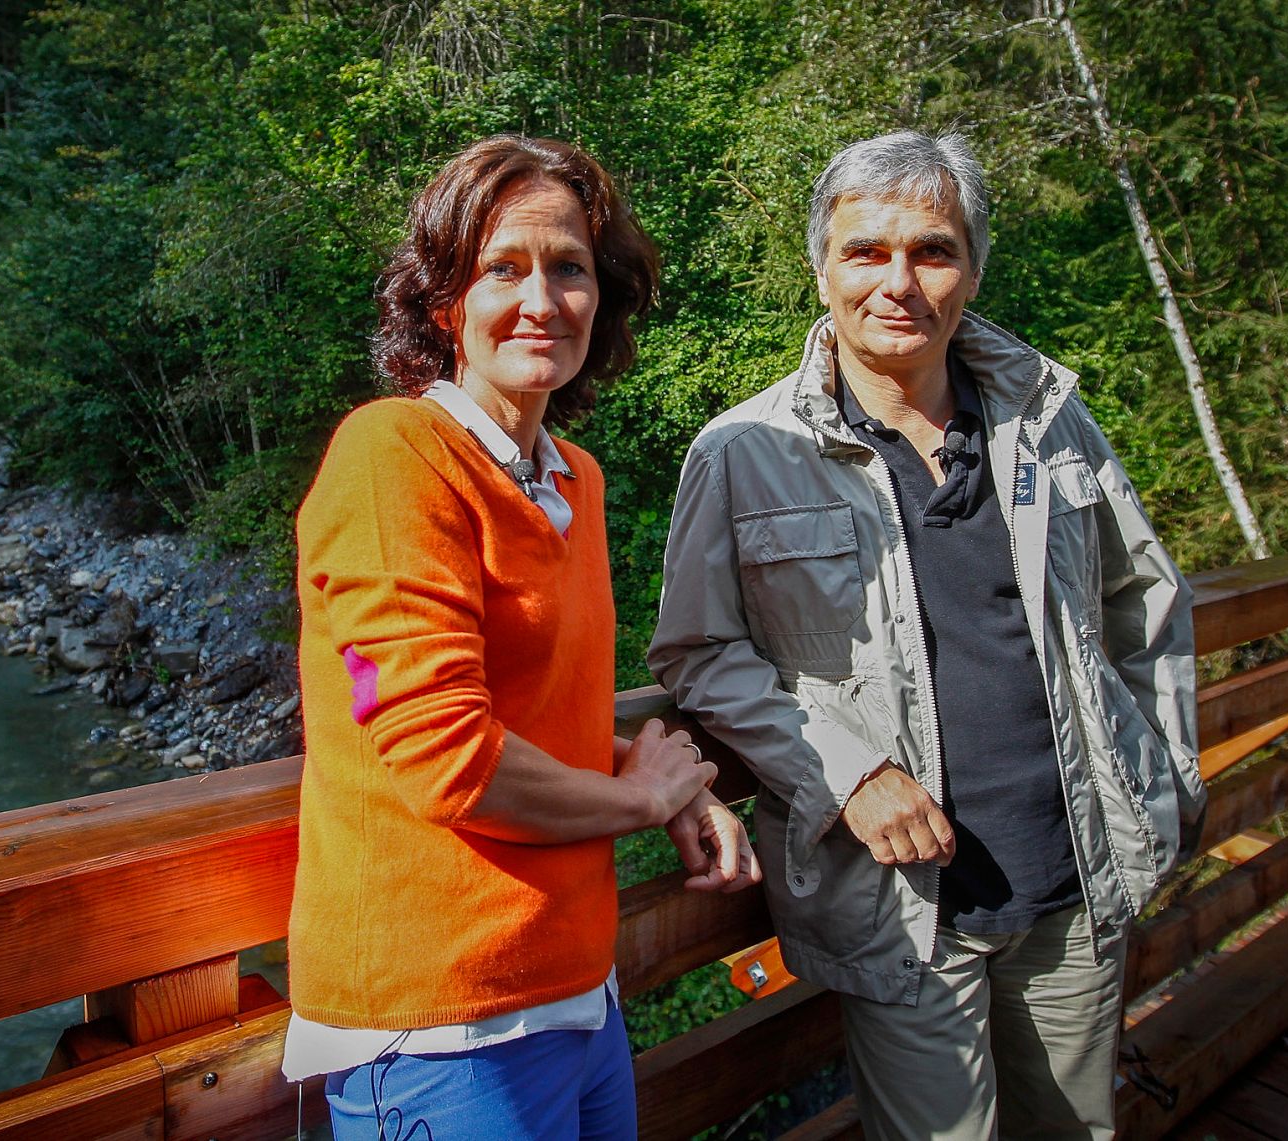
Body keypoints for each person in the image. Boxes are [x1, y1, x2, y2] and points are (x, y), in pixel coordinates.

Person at [648, 130, 1204, 1140]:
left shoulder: (1046, 421)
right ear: (820, 267)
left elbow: (1144, 602)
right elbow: (696, 653)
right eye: (865, 250)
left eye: (931, 250)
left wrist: (1165, 777)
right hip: (897, 906)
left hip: (1070, 882)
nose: (895, 281)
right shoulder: (742, 451)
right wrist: (847, 771)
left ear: (971, 268)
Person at [285, 134, 761, 1140]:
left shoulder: (571, 480)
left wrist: (660, 773)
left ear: (604, 298)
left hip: (575, 993)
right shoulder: (395, 456)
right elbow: (444, 758)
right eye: (500, 267)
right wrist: (640, 796)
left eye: (570, 268)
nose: (540, 298)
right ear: (442, 302)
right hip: (440, 1021)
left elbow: (533, 710)